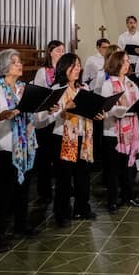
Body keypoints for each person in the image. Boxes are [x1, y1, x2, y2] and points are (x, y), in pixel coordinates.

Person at [0, 49, 42, 248]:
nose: (19, 64)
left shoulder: (25, 89)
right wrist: (1, 116)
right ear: (4, 67)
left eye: (19, 61)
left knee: (23, 189)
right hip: (6, 146)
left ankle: (21, 224)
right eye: (14, 62)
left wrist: (47, 109)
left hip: (27, 144)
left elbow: (36, 118)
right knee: (5, 192)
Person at [51, 53, 101, 226]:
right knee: (64, 178)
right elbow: (51, 115)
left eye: (79, 65)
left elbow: (89, 109)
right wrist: (66, 108)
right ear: (64, 68)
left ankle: (82, 208)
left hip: (82, 135)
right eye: (73, 66)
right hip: (64, 137)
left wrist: (97, 113)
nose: (77, 69)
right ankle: (62, 213)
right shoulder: (57, 89)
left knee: (83, 175)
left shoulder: (83, 88)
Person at [100, 51, 139, 213]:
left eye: (128, 61)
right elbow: (106, 107)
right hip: (113, 132)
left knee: (128, 166)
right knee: (113, 168)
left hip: (130, 131)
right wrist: (125, 110)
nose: (127, 64)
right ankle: (112, 200)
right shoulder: (108, 84)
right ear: (116, 63)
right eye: (124, 61)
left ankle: (129, 195)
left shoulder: (130, 83)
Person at [32, 40, 66, 204]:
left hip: (59, 118)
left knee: (58, 156)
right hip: (45, 118)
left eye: (63, 51)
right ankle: (44, 191)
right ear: (51, 52)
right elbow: (39, 94)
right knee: (44, 157)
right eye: (59, 50)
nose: (61, 53)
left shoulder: (64, 71)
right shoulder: (42, 72)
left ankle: (63, 187)